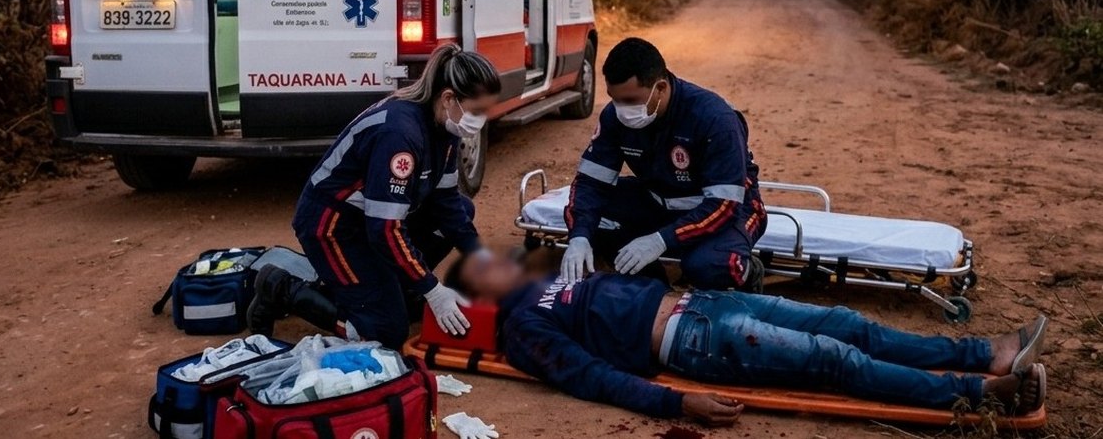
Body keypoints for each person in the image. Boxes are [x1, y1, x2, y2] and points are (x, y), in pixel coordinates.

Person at [446, 251, 1048, 426]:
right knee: (836, 359)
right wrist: (676, 402)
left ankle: (984, 352)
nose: (497, 263)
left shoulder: (549, 278)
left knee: (847, 322)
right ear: (479, 296)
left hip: (706, 301)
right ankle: (977, 391)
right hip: (694, 340)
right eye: (482, 270)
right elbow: (589, 376)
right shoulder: (522, 329)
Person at [247, 44, 501, 348]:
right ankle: (280, 286)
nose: (482, 119)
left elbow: (446, 203)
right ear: (448, 98)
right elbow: (384, 229)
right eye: (477, 110)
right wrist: (432, 289)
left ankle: (397, 288)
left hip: (373, 221)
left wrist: (480, 257)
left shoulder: (444, 128)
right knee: (385, 332)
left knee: (462, 208)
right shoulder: (401, 135)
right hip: (333, 226)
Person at [562, 37, 767, 290]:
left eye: (630, 101)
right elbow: (591, 183)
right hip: (659, 200)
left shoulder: (714, 118)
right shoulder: (615, 117)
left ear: (660, 88)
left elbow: (723, 205)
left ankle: (750, 272)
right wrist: (579, 236)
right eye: (614, 99)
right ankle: (652, 284)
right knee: (588, 216)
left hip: (727, 210)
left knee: (708, 266)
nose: (621, 109)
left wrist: (661, 240)